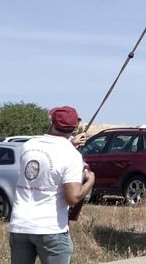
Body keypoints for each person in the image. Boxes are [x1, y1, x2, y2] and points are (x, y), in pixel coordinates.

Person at [9, 105, 95, 264]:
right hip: (50, 228)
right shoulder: (71, 155)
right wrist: (90, 181)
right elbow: (72, 197)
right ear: (75, 128)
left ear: (52, 123)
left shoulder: (28, 145)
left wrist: (71, 145)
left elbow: (46, 164)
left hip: (20, 225)